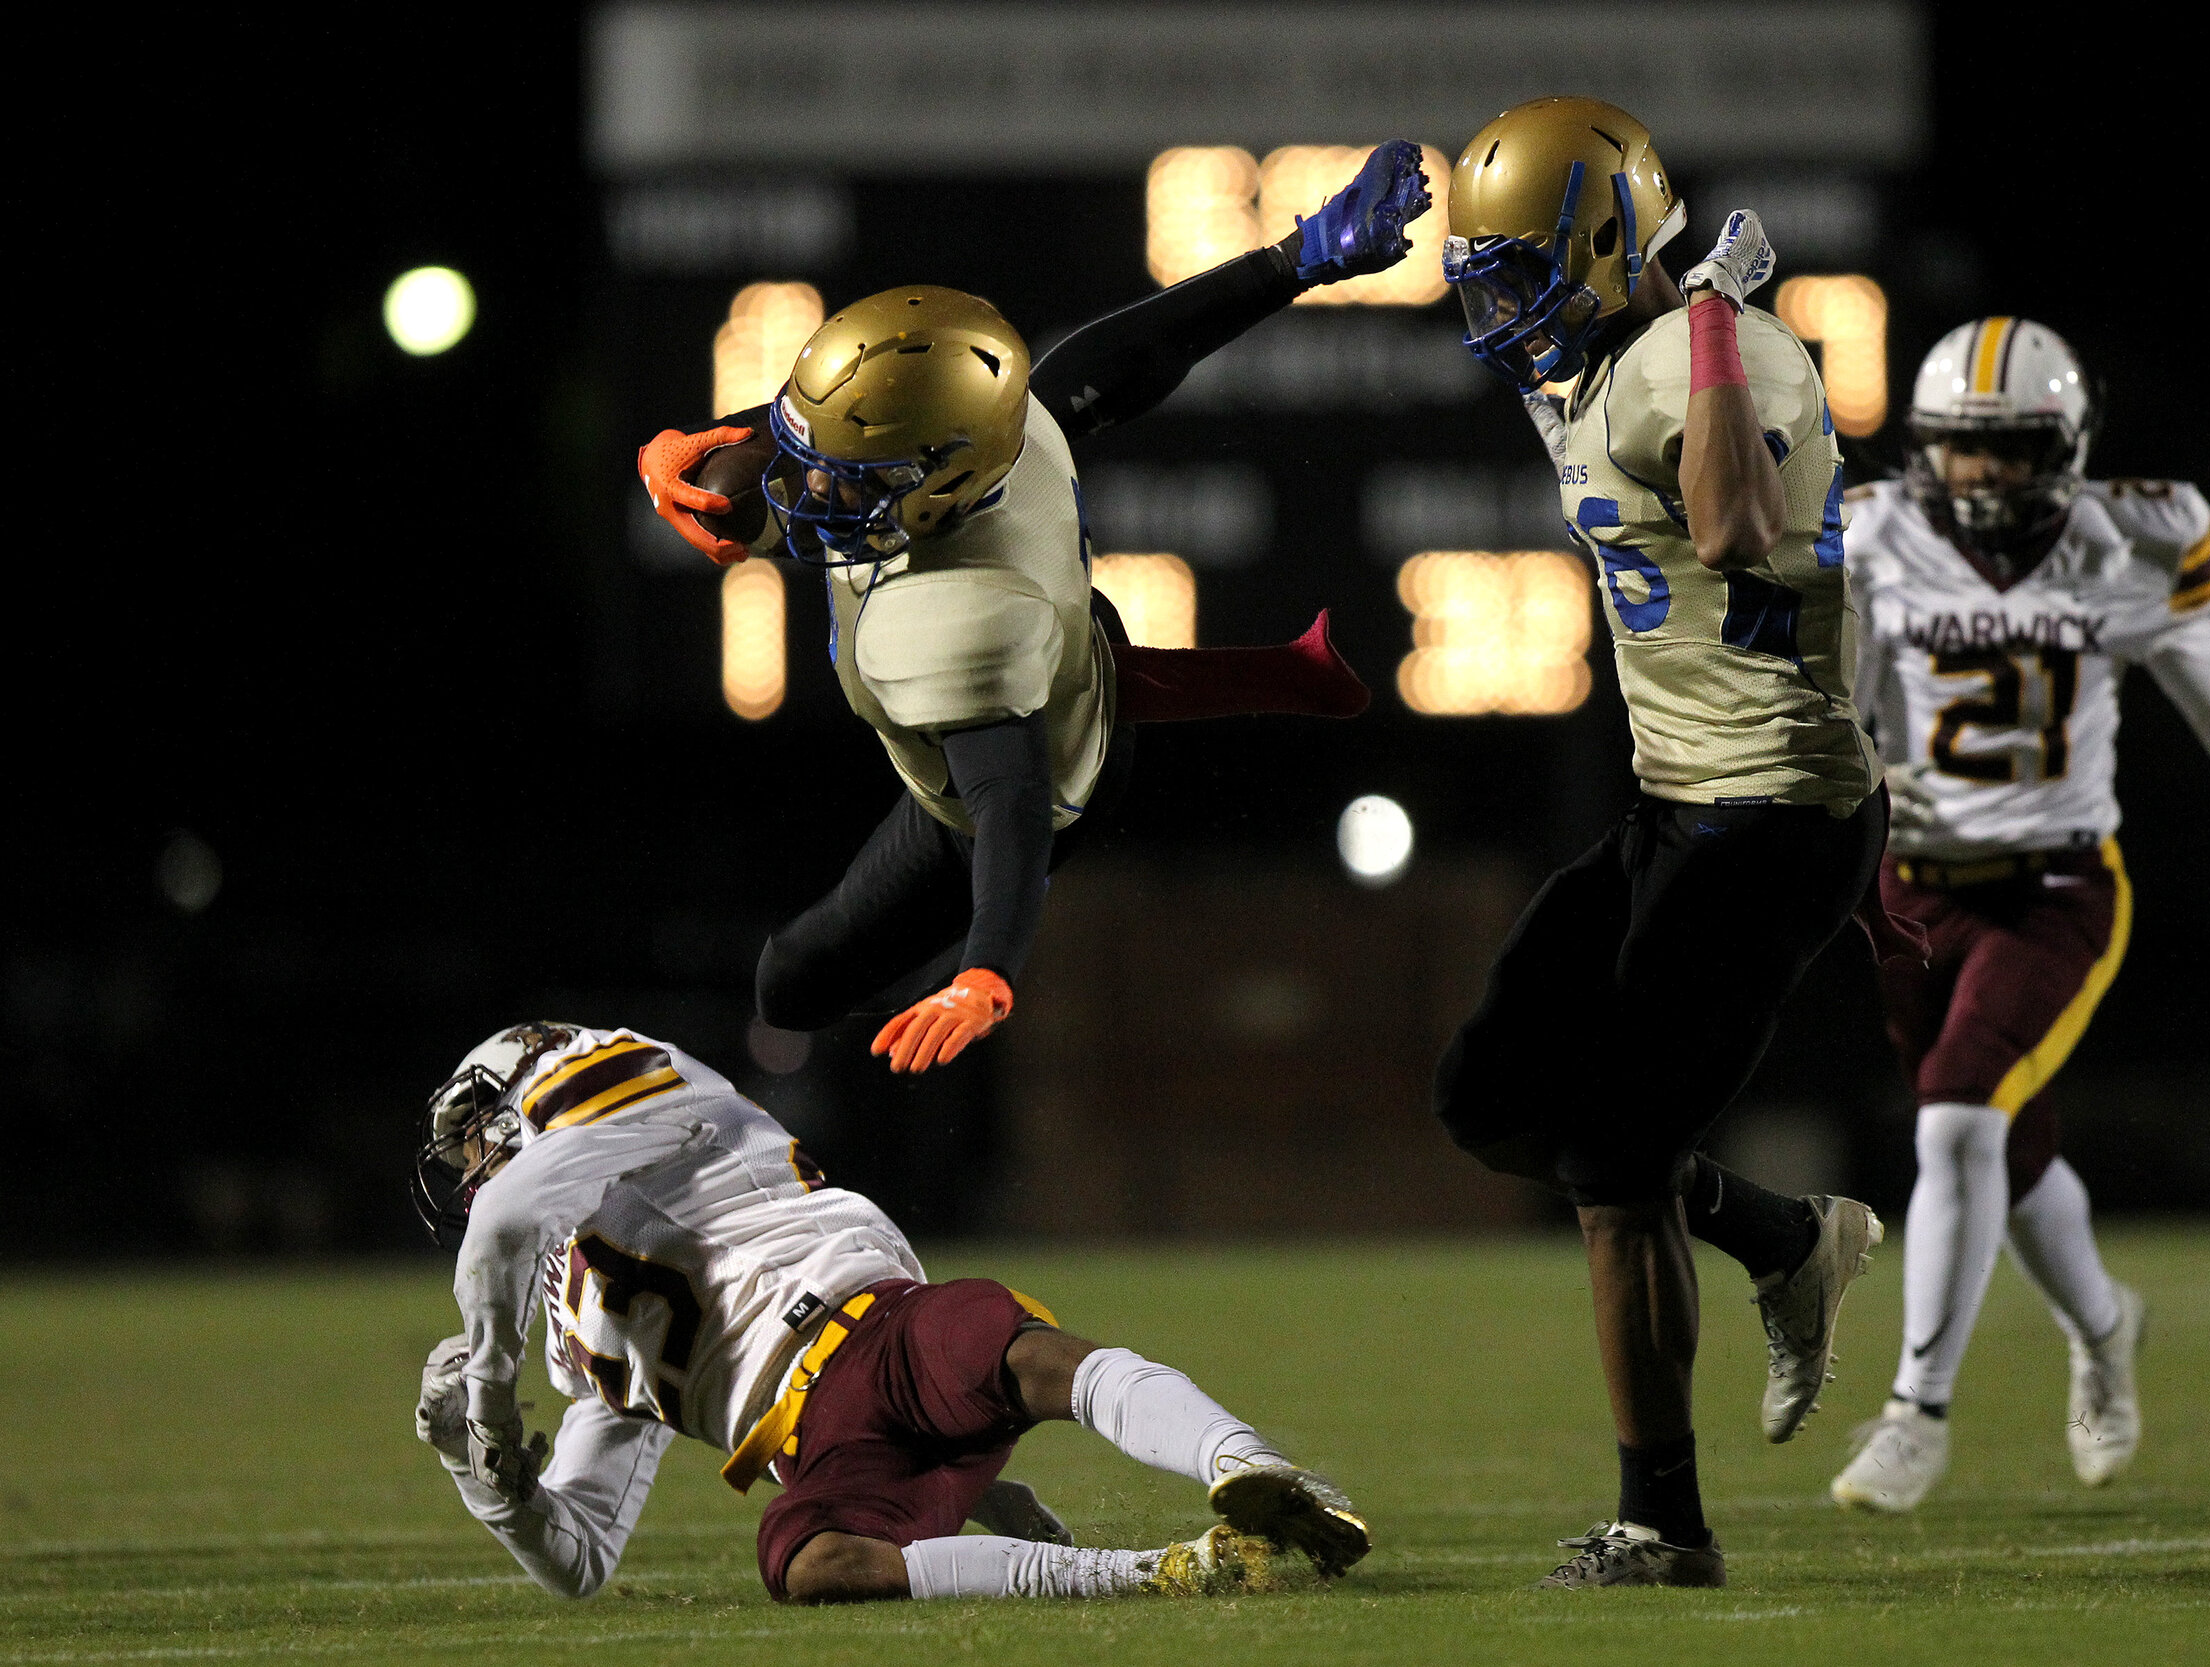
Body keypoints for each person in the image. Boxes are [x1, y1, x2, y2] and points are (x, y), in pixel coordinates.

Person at [631, 143, 1433, 1074]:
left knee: (792, 984)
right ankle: (1193, 673)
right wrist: (1295, 258)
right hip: (1063, 638)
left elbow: (1011, 811)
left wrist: (988, 969)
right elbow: (1136, 352)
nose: (801, 486)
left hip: (1046, 768)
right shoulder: (1006, 429)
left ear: (938, 487)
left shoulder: (959, 620)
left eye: (843, 477)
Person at [1433, 97, 1897, 1589]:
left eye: (1521, 266)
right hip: (1678, 803)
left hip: (1775, 810)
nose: (1499, 301)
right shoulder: (1592, 357)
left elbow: (1737, 524)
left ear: (1614, 246)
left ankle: (1664, 1524)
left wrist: (1708, 322)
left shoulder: (1728, 355)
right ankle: (1781, 1236)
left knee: (1616, 1164)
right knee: (1492, 1098)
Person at [1831, 317, 2210, 1511]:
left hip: (2055, 888)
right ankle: (2105, 1327)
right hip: (1910, 895)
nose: (1982, 475)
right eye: (1961, 450)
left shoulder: (2129, 543)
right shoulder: (1874, 538)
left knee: (1956, 1123)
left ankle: (1917, 1411)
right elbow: (1844, 714)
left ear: (2067, 446)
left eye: (2012, 448)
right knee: (2007, 1150)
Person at [409, 1022, 1371, 1603]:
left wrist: (490, 1389)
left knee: (1017, 1354)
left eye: (474, 1136)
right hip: (822, 1446)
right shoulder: (574, 1326)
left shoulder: (626, 1082)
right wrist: (489, 1482)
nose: (471, 1167)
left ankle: (1253, 1464)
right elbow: (576, 1558)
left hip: (871, 1325)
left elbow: (503, 1214)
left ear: (528, 1083)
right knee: (807, 1563)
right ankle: (1163, 1570)